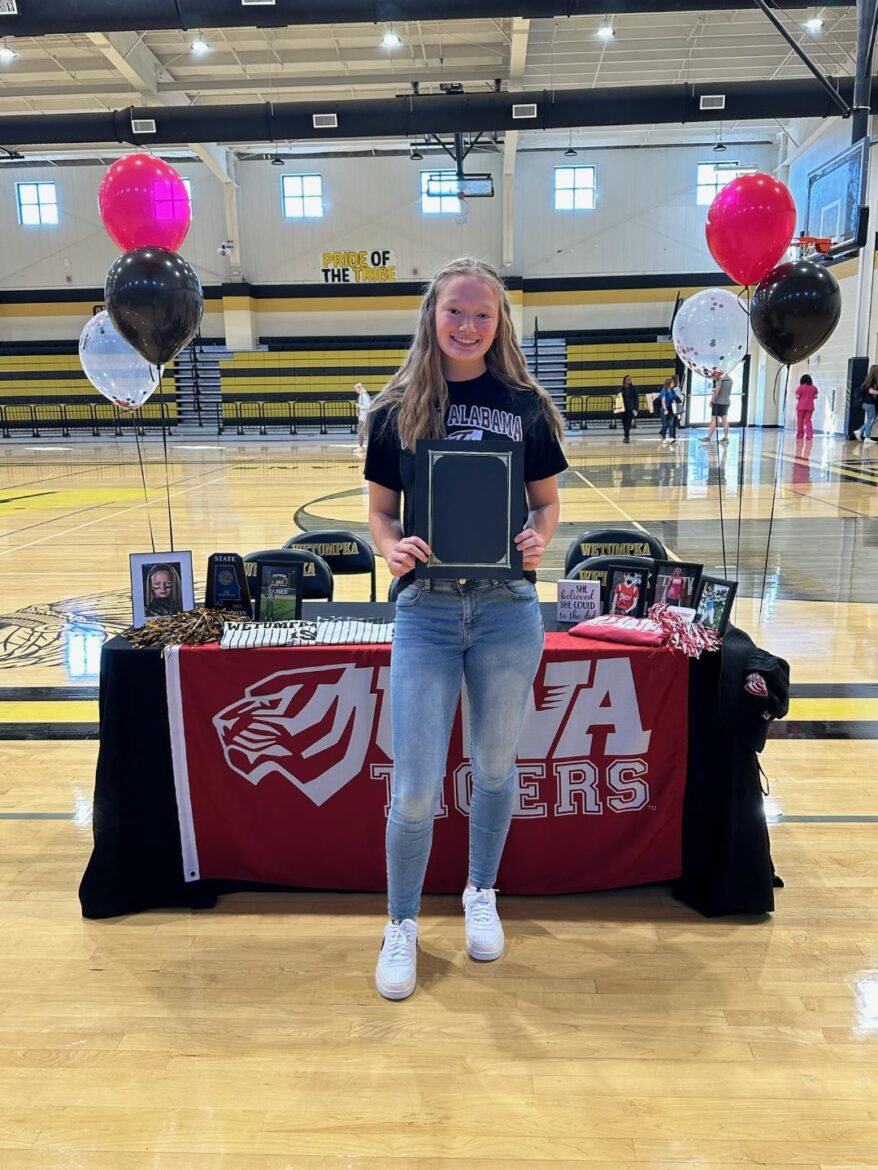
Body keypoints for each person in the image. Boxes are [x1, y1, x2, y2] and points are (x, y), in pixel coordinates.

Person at [364, 257, 568, 1001]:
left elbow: (545, 502)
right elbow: (381, 511)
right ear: (432, 313)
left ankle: (481, 890)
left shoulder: (526, 404)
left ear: (500, 322)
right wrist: (390, 548)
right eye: (456, 310)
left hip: (507, 610)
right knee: (416, 788)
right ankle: (402, 924)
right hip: (426, 611)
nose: (468, 324)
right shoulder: (396, 409)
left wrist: (541, 537)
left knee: (494, 767)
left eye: (483, 313)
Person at [701, 373, 733, 443]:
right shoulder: (730, 380)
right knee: (724, 420)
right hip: (726, 402)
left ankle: (708, 437)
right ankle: (726, 437)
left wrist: (712, 400)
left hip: (718, 403)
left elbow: (717, 391)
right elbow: (729, 392)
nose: (714, 377)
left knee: (714, 420)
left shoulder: (720, 380)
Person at [854, 364, 878, 442]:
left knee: (871, 419)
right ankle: (867, 437)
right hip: (869, 403)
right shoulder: (873, 380)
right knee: (871, 419)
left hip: (866, 403)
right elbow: (871, 391)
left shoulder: (868, 379)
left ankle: (859, 431)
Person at [794, 373, 818, 440]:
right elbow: (815, 397)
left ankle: (800, 435)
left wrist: (802, 397)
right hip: (810, 407)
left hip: (801, 407)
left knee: (800, 421)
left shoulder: (801, 387)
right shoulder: (814, 388)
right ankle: (809, 435)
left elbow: (797, 397)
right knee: (808, 421)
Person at [657, 377, 680, 446]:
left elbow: (675, 398)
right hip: (664, 409)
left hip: (671, 409)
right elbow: (663, 401)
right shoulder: (664, 391)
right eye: (672, 383)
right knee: (665, 425)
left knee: (671, 424)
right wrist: (665, 409)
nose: (673, 384)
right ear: (669, 384)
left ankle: (671, 438)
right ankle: (663, 437)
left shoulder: (673, 391)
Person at [619, 375, 639, 444]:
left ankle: (626, 437)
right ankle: (626, 435)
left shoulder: (633, 388)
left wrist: (636, 408)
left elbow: (636, 399)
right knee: (624, 423)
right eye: (628, 379)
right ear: (624, 380)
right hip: (623, 408)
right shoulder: (621, 388)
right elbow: (618, 398)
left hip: (630, 408)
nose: (629, 380)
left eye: (630, 379)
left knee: (628, 423)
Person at [354, 382, 372, 454]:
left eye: (356, 388)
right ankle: (361, 446)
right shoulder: (363, 395)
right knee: (361, 431)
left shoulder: (363, 395)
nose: (355, 390)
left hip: (364, 417)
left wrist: (359, 405)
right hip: (363, 417)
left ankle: (361, 447)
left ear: (359, 388)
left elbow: (367, 406)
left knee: (361, 431)